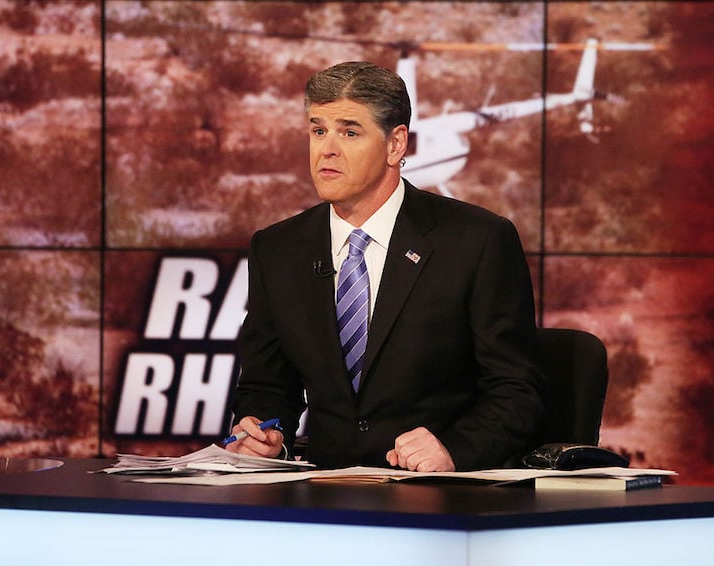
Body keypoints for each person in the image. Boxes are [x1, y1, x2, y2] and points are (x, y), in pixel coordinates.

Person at [226, 61, 544, 471]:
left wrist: (455, 449)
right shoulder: (277, 249)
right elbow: (266, 386)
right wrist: (263, 434)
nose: (327, 149)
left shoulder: (476, 241)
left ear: (396, 145)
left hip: (439, 491)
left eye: (349, 132)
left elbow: (517, 390)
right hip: (324, 489)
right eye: (318, 130)